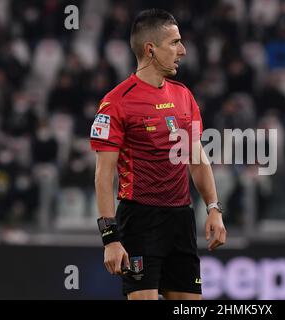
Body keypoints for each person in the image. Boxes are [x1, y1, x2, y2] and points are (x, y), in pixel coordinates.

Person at [90, 8, 226, 300]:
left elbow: (197, 159)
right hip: (140, 220)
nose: (184, 50)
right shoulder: (116, 103)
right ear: (150, 49)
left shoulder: (183, 95)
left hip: (181, 219)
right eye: (175, 43)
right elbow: (103, 176)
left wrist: (213, 208)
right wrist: (110, 239)